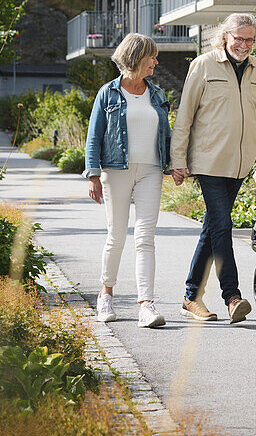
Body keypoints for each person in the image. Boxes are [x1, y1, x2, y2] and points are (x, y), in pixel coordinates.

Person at [171, 13, 256, 324]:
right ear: (225, 37)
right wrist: (179, 160)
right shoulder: (204, 65)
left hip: (239, 164)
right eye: (238, 38)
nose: (244, 45)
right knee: (222, 225)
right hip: (209, 161)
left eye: (249, 39)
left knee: (212, 228)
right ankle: (232, 296)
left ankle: (190, 296)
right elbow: (184, 116)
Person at [84, 33, 172, 329]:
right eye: (152, 57)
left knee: (145, 238)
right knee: (117, 236)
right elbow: (94, 136)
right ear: (136, 58)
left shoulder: (157, 94)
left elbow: (166, 135)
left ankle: (146, 305)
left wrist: (175, 166)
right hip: (115, 170)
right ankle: (105, 294)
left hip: (150, 170)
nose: (156, 62)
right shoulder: (107, 93)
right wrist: (93, 173)